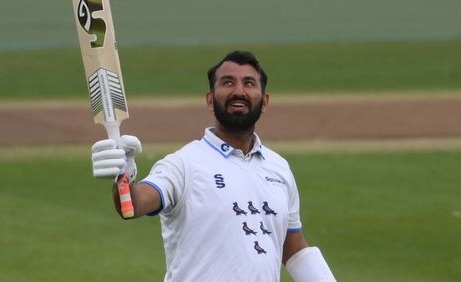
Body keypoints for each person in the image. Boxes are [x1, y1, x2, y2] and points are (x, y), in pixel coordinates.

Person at [91, 50, 337, 282]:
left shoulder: (279, 169)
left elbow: (292, 248)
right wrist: (123, 175)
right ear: (210, 99)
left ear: (264, 101)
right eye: (228, 82)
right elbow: (132, 206)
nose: (238, 91)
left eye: (249, 83)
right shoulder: (184, 164)